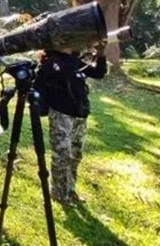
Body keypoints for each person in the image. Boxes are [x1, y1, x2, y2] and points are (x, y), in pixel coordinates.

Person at [35, 45, 107, 205]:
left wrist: (101, 54)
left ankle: (70, 190)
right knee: (62, 155)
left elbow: (99, 73)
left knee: (75, 155)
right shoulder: (52, 63)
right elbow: (41, 84)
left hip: (79, 114)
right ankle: (59, 193)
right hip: (61, 114)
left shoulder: (75, 61)